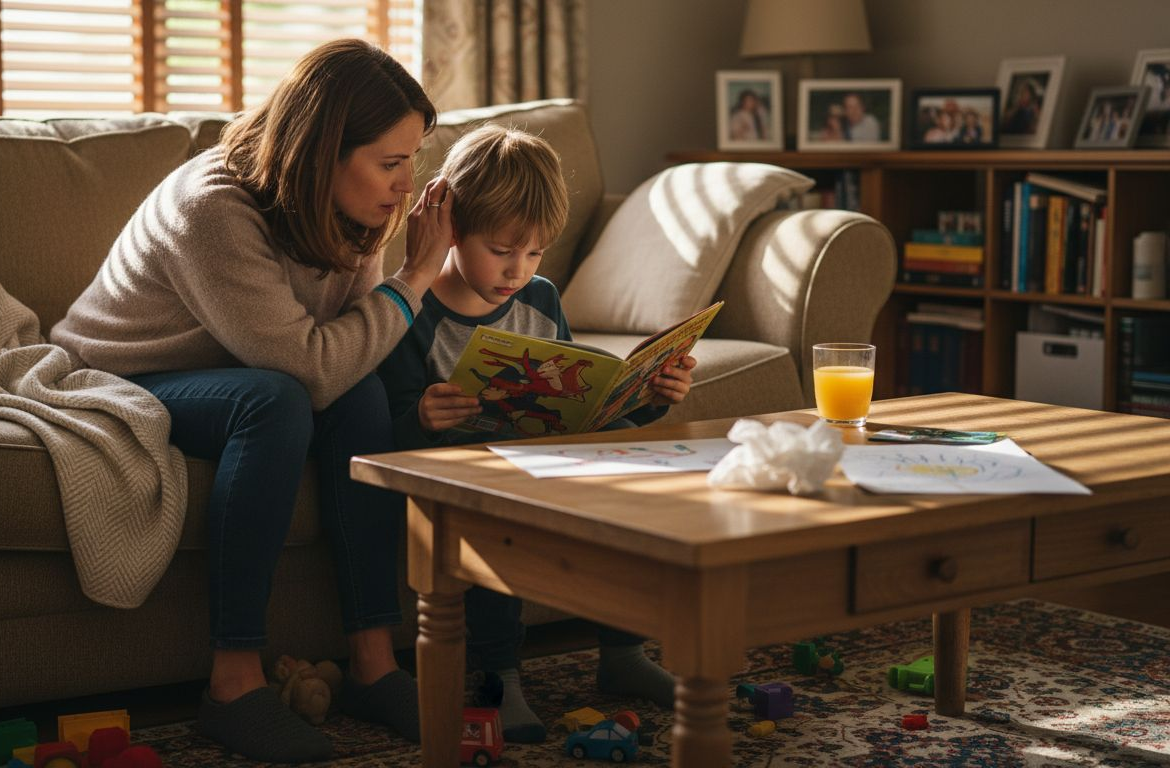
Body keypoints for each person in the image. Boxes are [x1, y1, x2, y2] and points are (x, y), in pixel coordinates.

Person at [50, 38, 455, 764]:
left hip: (244, 368)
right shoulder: (212, 208)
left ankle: (374, 664)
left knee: (358, 396)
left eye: (412, 161)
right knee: (276, 401)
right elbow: (310, 367)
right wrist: (418, 275)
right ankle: (233, 686)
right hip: (124, 373)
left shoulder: (350, 207)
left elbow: (349, 353)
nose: (406, 185)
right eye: (392, 164)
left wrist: (390, 276)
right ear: (325, 149)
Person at [376, 124, 697, 744]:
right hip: (466, 478)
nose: (517, 271)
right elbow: (380, 430)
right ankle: (500, 673)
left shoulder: (541, 298)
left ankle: (624, 651)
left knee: (628, 474)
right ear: (451, 228)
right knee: (503, 518)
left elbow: (580, 399)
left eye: (534, 254)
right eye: (501, 251)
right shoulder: (413, 310)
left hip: (543, 457)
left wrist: (650, 398)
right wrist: (419, 415)